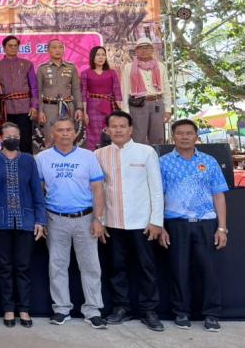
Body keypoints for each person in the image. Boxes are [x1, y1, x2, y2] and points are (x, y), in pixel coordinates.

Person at [94, 110, 164, 331]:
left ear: (131, 129)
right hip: (113, 222)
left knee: (146, 268)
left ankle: (149, 311)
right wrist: (100, 220)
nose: (118, 130)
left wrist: (156, 221)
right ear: (107, 130)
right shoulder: (99, 154)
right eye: (113, 126)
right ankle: (121, 308)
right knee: (117, 268)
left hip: (142, 222)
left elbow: (156, 189)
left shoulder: (146, 152)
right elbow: (99, 190)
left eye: (122, 126)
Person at [158, 119, 229, 332]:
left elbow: (219, 196)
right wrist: (160, 226)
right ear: (173, 137)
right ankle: (181, 312)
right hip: (175, 224)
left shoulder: (209, 161)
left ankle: (211, 314)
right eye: (180, 133)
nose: (185, 137)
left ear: (196, 136)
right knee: (178, 271)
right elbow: (157, 195)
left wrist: (222, 228)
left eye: (189, 133)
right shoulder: (163, 162)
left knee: (208, 271)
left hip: (206, 224)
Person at [36, 117, 107, 329]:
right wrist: (42, 220)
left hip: (85, 218)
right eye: (60, 130)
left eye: (69, 130)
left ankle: (93, 310)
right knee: (57, 265)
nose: (65, 133)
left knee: (91, 266)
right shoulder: (42, 158)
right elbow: (38, 192)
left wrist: (98, 219)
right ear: (52, 134)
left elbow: (98, 189)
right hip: (55, 218)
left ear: (75, 133)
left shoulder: (88, 157)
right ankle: (61, 309)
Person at [0, 121, 46, 328]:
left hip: (26, 221)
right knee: (4, 267)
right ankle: (8, 308)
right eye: (8, 135)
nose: (12, 139)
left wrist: (40, 220)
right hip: (0, 222)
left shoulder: (28, 160)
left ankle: (25, 309)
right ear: (1, 137)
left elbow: (37, 191)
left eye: (16, 136)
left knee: (23, 267)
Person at [0, 35, 39, 153]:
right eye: (10, 46)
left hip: (25, 108)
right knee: (7, 139)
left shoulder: (27, 64)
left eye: (15, 46)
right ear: (4, 48)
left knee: (25, 140)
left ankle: (26, 165)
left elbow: (34, 87)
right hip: (5, 109)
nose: (13, 48)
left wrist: (34, 106)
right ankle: (7, 165)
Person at [121, 37, 172, 145]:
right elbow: (124, 89)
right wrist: (125, 111)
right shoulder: (128, 67)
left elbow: (166, 88)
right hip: (137, 105)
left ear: (152, 50)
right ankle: (139, 161)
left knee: (158, 137)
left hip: (157, 103)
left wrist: (168, 109)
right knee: (138, 137)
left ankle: (157, 160)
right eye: (141, 48)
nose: (144, 50)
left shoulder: (160, 66)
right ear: (136, 51)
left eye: (147, 48)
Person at [37, 40, 83, 149]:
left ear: (63, 50)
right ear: (48, 50)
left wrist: (79, 108)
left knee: (68, 137)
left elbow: (76, 89)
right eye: (54, 47)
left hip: (67, 107)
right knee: (50, 138)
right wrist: (40, 110)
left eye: (60, 47)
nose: (58, 50)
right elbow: (38, 91)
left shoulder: (71, 67)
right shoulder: (42, 68)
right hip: (49, 108)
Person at [80, 46, 122, 150]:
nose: (101, 57)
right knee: (93, 134)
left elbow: (117, 92)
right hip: (92, 107)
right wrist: (84, 113)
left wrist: (119, 112)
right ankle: (93, 157)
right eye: (98, 55)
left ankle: (110, 154)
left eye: (103, 55)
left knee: (110, 131)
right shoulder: (85, 73)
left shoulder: (112, 73)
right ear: (92, 57)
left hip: (109, 106)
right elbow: (83, 94)